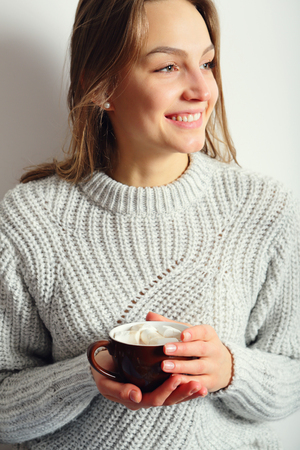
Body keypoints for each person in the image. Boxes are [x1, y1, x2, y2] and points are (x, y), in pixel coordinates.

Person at [0, 0, 299, 448]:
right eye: (167, 67)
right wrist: (90, 373)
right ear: (101, 86)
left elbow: (291, 379)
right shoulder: (29, 221)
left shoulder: (265, 210)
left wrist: (229, 369)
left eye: (207, 62)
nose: (202, 89)